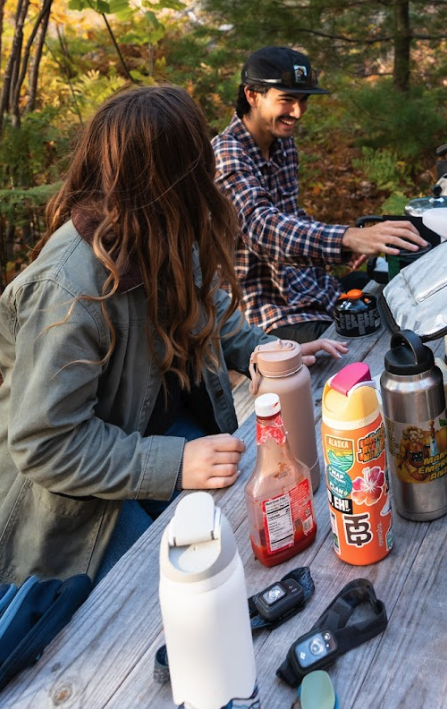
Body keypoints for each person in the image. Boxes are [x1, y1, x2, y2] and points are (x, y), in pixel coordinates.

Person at [0, 85, 292, 585]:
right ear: (174, 177)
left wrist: (265, 351)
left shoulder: (162, 225)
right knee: (174, 587)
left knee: (252, 510)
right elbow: (46, 442)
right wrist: (175, 463)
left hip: (153, 434)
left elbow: (208, 306)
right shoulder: (68, 288)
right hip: (74, 503)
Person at [213, 45, 423, 343]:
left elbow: (290, 215)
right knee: (358, 347)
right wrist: (346, 236)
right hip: (263, 309)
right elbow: (262, 228)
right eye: (286, 100)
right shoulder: (227, 155)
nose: (297, 112)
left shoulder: (283, 144)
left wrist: (347, 248)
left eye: (303, 100)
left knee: (395, 297)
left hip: (307, 285)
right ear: (252, 95)